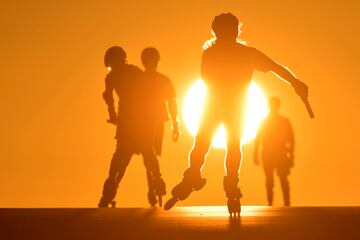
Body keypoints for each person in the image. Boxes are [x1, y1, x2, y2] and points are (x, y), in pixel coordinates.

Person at [165, 13, 309, 216]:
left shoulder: (210, 54)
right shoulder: (247, 54)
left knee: (202, 143)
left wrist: (296, 83)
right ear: (235, 30)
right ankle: (230, 184)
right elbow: (276, 68)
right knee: (232, 146)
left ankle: (193, 175)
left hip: (213, 106)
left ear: (216, 31)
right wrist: (295, 82)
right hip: (235, 108)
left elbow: (206, 79)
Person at [98, 46, 167, 207]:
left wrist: (113, 116)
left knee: (121, 154)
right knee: (147, 153)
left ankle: (110, 186)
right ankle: (158, 181)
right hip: (141, 119)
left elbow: (108, 98)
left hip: (129, 119)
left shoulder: (112, 77)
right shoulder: (134, 72)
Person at [141, 47, 180, 207]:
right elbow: (172, 102)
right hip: (151, 121)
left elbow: (172, 102)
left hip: (153, 121)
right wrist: (175, 124)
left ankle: (153, 187)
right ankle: (153, 187)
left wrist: (176, 125)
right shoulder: (162, 80)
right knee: (150, 153)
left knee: (150, 154)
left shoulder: (140, 80)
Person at [253, 97, 294, 206]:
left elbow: (291, 139)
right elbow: (258, 138)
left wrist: (291, 156)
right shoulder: (276, 121)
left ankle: (283, 203)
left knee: (279, 179)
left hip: (275, 152)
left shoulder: (269, 121)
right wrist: (255, 154)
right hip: (270, 153)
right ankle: (274, 203)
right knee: (273, 179)